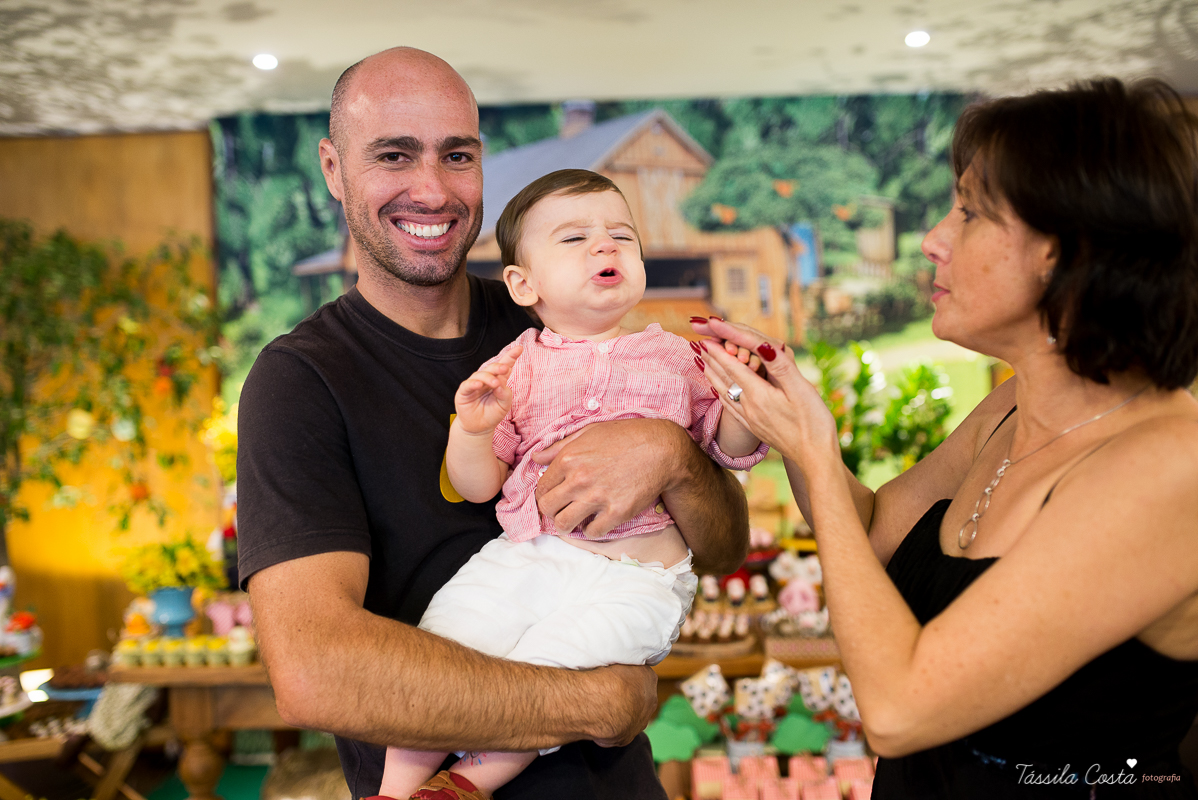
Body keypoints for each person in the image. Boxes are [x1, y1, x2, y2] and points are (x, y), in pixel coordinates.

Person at [236, 48, 753, 800]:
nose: (433, 189)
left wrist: (671, 453)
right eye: (393, 155)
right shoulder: (301, 382)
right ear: (333, 168)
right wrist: (597, 701)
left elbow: (726, 545)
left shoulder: (556, 318)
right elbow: (315, 671)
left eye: (458, 155)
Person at [694, 78, 1198, 797]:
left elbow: (900, 710)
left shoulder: (1168, 464)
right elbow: (871, 539)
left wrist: (808, 445)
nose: (933, 239)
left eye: (969, 212)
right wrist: (793, 414)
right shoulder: (1008, 410)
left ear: (1067, 252)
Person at [379, 169, 767, 799]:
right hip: (528, 555)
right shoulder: (517, 366)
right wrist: (474, 430)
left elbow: (728, 449)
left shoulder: (677, 358)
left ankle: (462, 786)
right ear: (522, 282)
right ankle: (393, 791)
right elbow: (478, 486)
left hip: (635, 581)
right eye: (575, 237)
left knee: (551, 675)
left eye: (622, 235)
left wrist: (745, 397)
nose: (605, 246)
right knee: (448, 645)